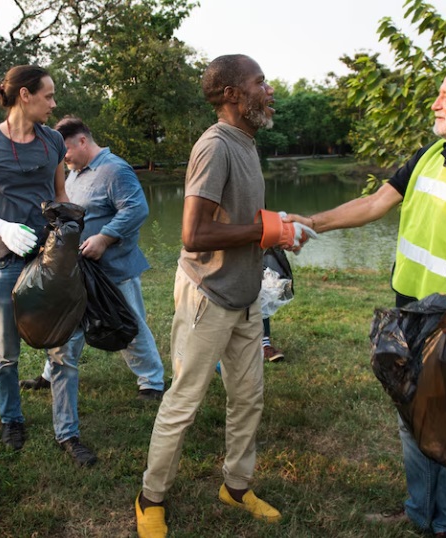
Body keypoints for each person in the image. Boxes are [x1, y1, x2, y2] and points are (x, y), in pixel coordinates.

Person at [288, 53, 446, 538]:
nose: (436, 103)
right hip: (409, 314)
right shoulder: (429, 155)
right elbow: (377, 202)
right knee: (412, 415)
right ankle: (419, 512)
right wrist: (310, 222)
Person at [134, 54, 314, 537]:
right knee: (184, 401)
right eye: (261, 82)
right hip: (208, 295)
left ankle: (236, 486)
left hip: (246, 294)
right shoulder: (215, 146)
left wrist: (277, 223)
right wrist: (264, 230)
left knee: (248, 397)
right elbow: (194, 233)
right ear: (233, 94)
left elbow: (241, 219)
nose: (269, 89)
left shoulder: (247, 142)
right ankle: (150, 496)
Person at [0, 65, 97, 465]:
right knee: (6, 352)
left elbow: (59, 193)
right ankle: (11, 419)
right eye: (48, 96)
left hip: (48, 260)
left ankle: (67, 433)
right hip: (4, 261)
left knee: (63, 348)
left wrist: (67, 229)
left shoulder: (53, 140)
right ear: (24, 95)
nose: (54, 104)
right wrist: (0, 225)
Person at [18, 115, 166, 401]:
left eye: (66, 153)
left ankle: (152, 382)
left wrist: (105, 237)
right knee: (65, 321)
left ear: (82, 141)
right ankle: (50, 374)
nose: (64, 160)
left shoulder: (114, 170)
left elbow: (136, 209)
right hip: (78, 270)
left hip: (113, 268)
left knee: (127, 321)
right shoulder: (74, 173)